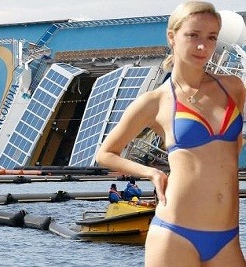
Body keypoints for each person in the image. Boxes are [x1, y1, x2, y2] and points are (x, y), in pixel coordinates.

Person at [95, 1, 246, 266]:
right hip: (175, 234)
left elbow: (232, 148)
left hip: (227, 237)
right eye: (193, 35)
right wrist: (152, 172)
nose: (203, 46)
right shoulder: (156, 101)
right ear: (172, 36)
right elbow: (105, 153)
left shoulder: (233, 88)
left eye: (211, 37)